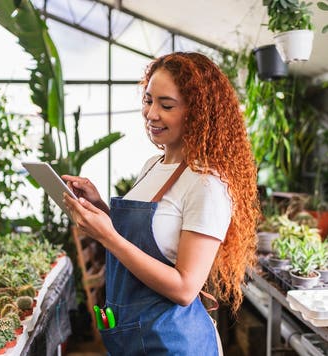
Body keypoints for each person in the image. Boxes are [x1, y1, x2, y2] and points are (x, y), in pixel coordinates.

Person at [62, 52, 260, 355]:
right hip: (137, 335)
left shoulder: (206, 183)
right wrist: (99, 206)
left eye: (166, 105)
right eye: (148, 100)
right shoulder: (153, 165)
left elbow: (184, 288)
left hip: (173, 342)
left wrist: (109, 238)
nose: (151, 113)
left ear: (197, 113)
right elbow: (142, 238)